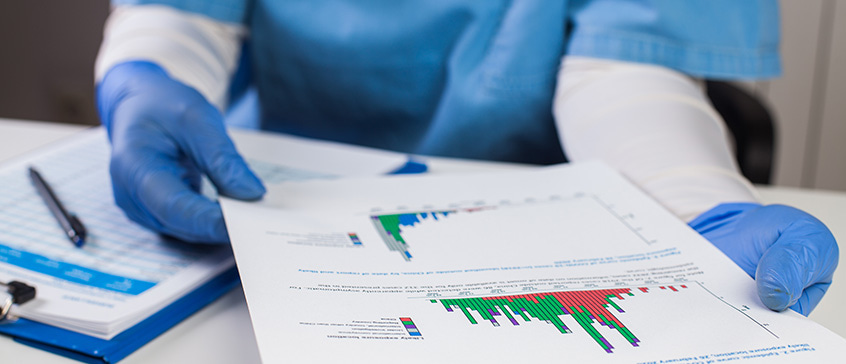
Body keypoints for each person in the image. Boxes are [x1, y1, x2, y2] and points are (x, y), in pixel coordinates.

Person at [95, 0, 837, 316]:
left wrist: (698, 199)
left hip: (541, 228)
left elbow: (623, 66)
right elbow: (183, 12)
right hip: (274, 209)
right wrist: (145, 77)